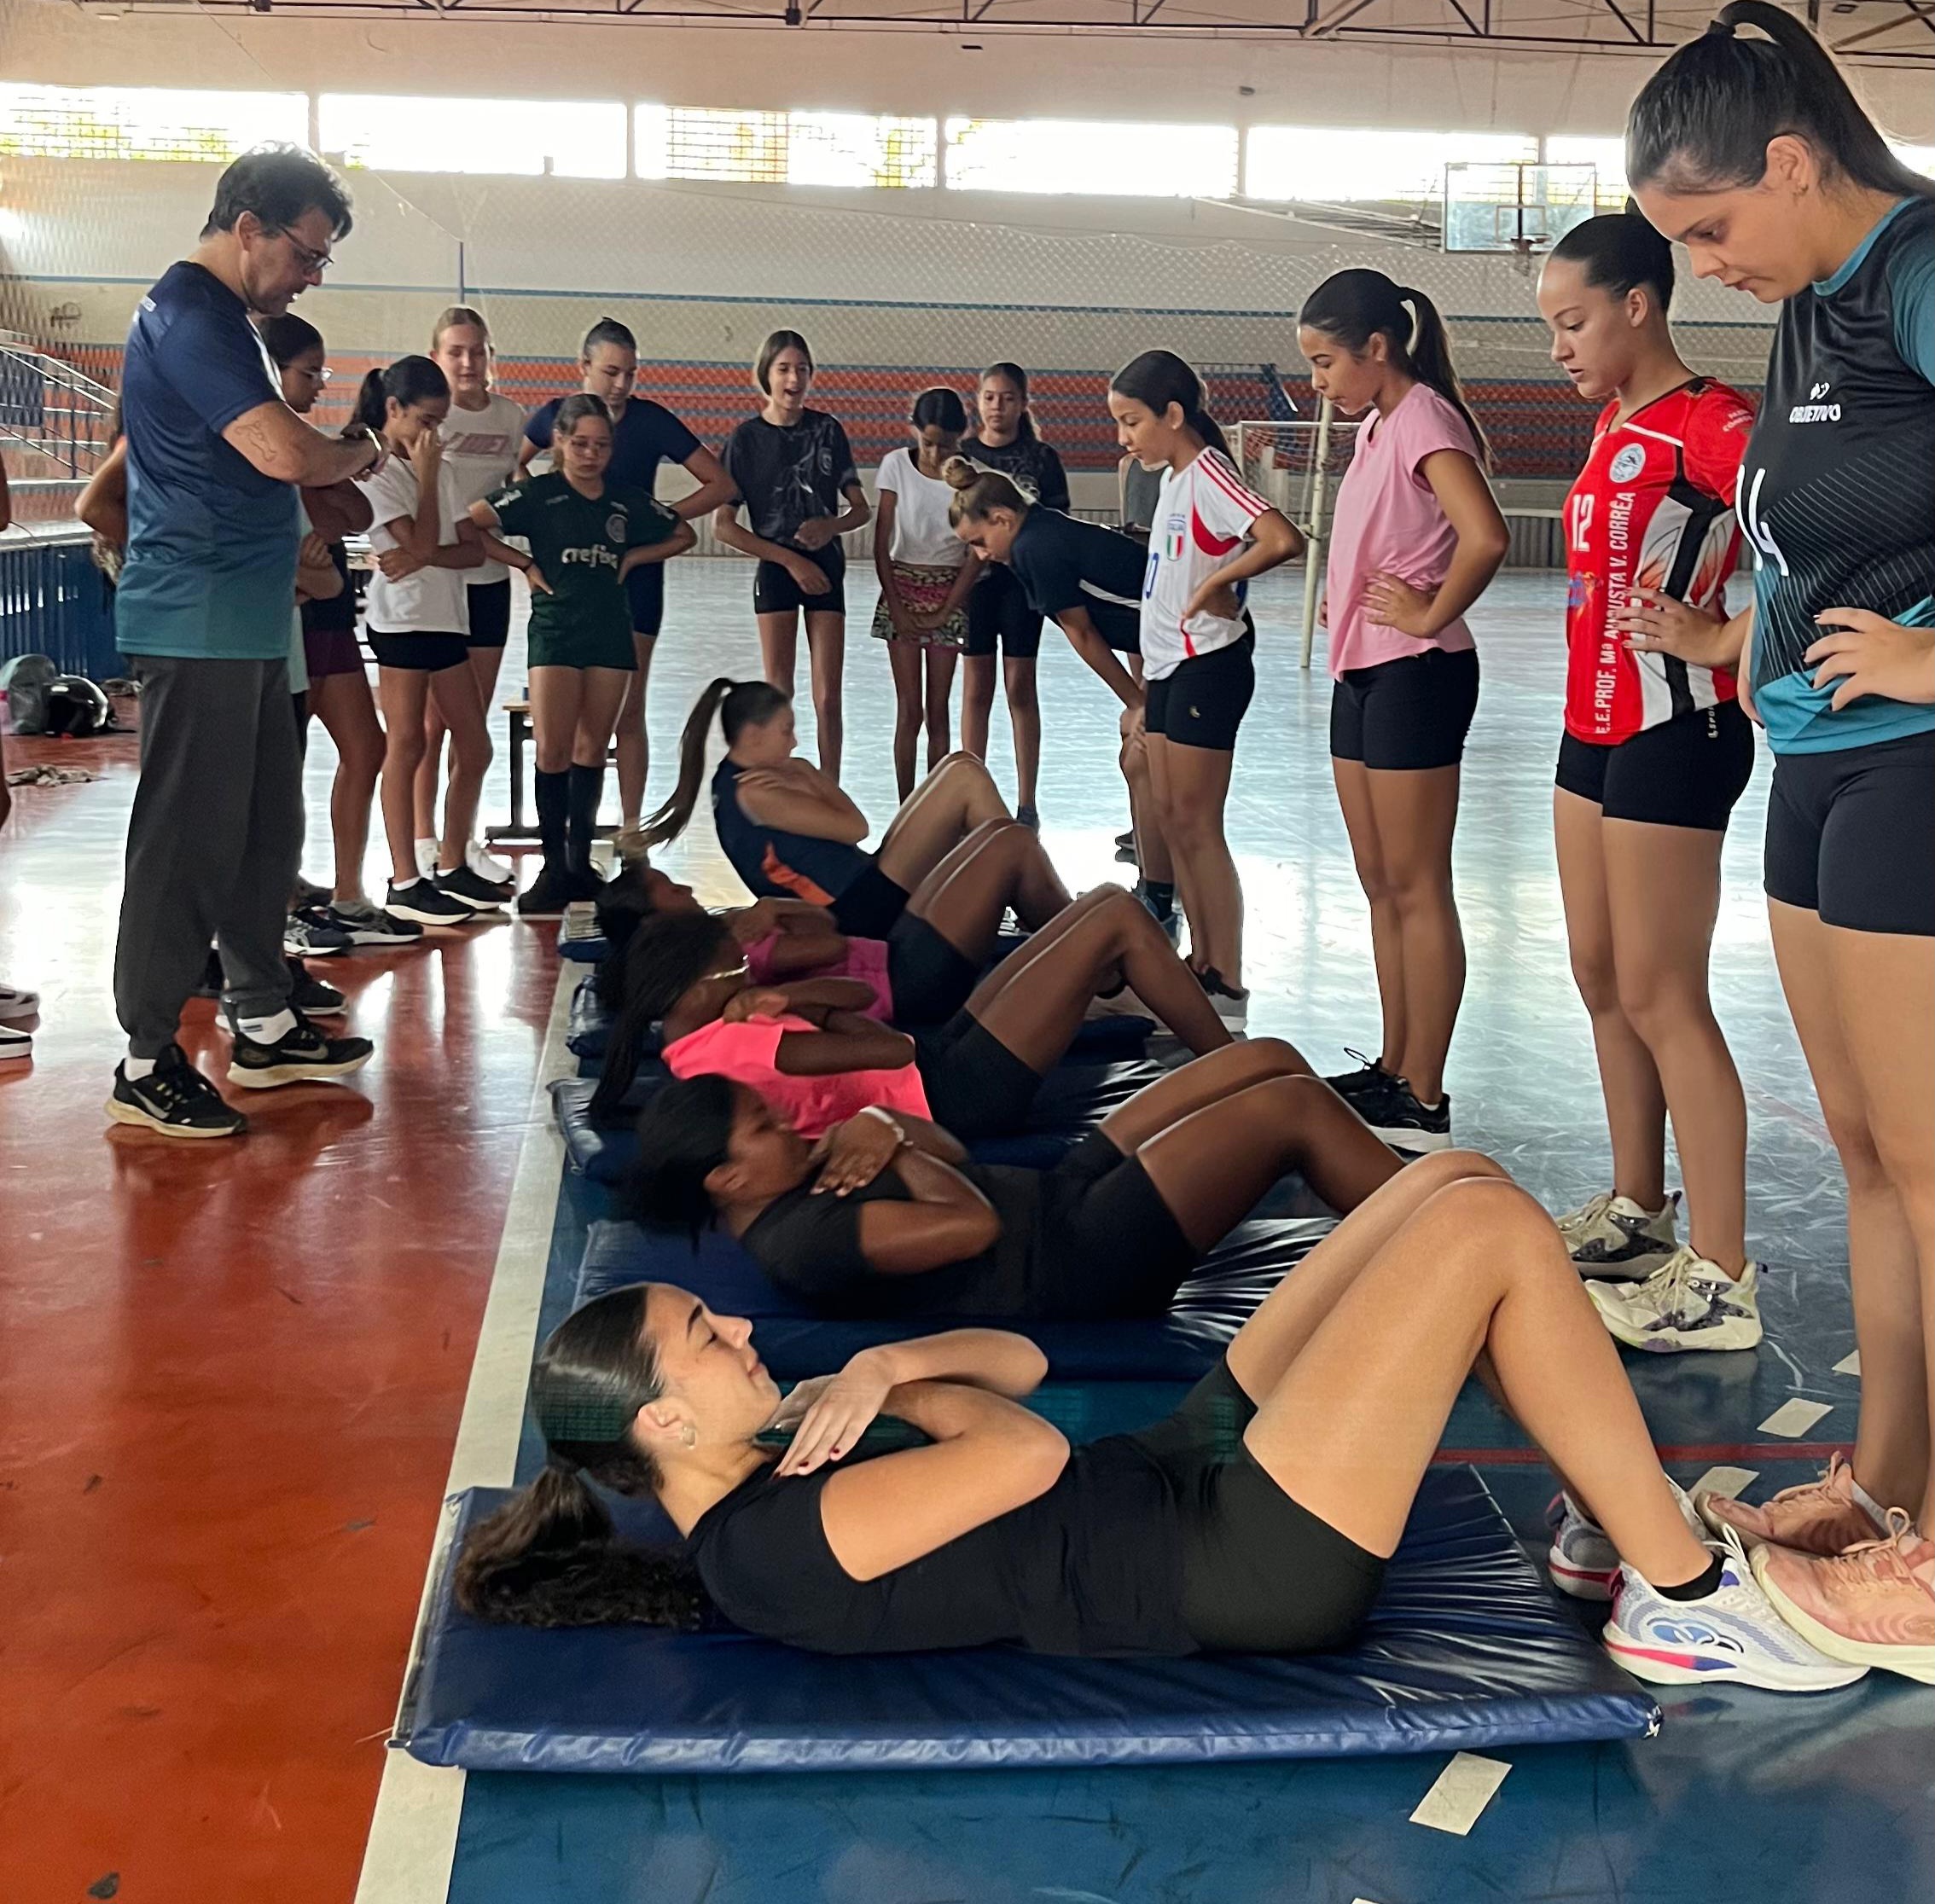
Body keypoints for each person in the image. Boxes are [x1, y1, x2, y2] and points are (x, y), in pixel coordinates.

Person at [452, 1151, 1859, 1694]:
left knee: (1449, 1184)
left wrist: (883, 1366)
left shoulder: (777, 1441)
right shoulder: (762, 1551)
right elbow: (1020, 1453)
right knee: (1485, 1238)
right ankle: (1685, 1600)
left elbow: (1014, 1363)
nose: (743, 1329)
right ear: (659, 1421)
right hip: (1228, 1561)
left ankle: (1604, 1522)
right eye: (708, 1338)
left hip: (1179, 1467)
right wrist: (890, 1385)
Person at [1622, 0, 1935, 1676]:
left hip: (1914, 764)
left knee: (1934, 1164)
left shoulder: (1916, 270)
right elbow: (1808, 536)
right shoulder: (1812, 304)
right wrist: (1737, 647)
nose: (1701, 265)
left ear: (1795, 162)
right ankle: (1891, 1488)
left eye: (1707, 227)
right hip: (1816, 762)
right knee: (1871, 1156)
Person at [108, 143, 376, 1140]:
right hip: (199, 617)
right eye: (307, 253)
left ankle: (261, 1015)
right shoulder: (188, 316)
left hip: (251, 617)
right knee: (186, 839)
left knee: (266, 825)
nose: (312, 276)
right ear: (249, 227)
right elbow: (284, 450)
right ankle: (146, 1059)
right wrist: (362, 448)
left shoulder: (232, 327)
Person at [1534, 212, 1763, 1353]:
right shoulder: (1615, 421)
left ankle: (1721, 1277)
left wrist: (1721, 639)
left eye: (1574, 322)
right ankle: (1638, 1211)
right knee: (1602, 974)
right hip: (1592, 729)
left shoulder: (1714, 423)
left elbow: (1817, 550)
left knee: (1666, 995)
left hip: (1678, 729)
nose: (1560, 348)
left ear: (1638, 304)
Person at [629, 1048, 1401, 1320]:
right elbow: (972, 1228)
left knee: (1264, 1059)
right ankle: (1443, 1231)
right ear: (727, 1178)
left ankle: (1404, 1189)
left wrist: (884, 1122)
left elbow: (953, 1154)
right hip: (1077, 1261)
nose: (786, 1124)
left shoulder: (798, 1175)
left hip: (1057, 1195)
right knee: (1288, 1109)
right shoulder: (802, 1240)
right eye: (764, 1126)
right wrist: (889, 1145)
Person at [1298, 270, 1509, 1152]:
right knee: (1382, 881)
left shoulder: (1424, 416)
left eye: (1324, 363)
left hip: (1417, 672)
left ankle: (1424, 1091)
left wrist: (1427, 613)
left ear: (1376, 348)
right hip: (1362, 670)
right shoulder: (1378, 425)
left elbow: (1485, 534)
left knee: (1418, 885)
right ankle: (1392, 1067)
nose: (1317, 382)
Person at [594, 881, 1238, 1141]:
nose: (746, 969)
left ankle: (1216, 1049)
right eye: (735, 966)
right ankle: (1233, 1067)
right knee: (1117, 916)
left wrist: (791, 1000)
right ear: (695, 990)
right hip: (955, 1094)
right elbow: (891, 1046)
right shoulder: (736, 1045)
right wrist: (804, 1008)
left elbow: (858, 1002)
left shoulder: (694, 1037)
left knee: (1099, 909)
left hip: (936, 1066)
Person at [1107, 350, 1304, 1027]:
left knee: (1198, 826)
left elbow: (1280, 537)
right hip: (1168, 670)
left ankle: (1228, 979)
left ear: (1173, 414)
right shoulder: (1173, 481)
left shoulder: (1211, 473)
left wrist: (1223, 583)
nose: (1125, 438)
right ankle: (1200, 966)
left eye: (1133, 422)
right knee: (1172, 819)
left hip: (1207, 667)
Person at [469, 394, 694, 914]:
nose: (591, 455)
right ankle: (552, 868)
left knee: (593, 748)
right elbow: (471, 525)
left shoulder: (625, 500)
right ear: (559, 443)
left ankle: (578, 865)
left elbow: (681, 533)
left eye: (601, 446)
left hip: (610, 634)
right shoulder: (537, 494)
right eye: (580, 444)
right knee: (552, 750)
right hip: (556, 633)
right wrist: (524, 565)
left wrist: (635, 556)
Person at [520, 317, 735, 843]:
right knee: (568, 718)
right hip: (571, 583)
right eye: (611, 372)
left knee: (628, 708)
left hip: (632, 579)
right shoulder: (557, 415)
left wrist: (656, 521)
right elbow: (513, 467)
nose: (620, 384)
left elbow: (720, 483)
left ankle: (632, 831)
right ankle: (566, 837)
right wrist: (542, 520)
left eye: (631, 374)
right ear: (584, 367)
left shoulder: (651, 421)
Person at [945, 461, 1176, 937]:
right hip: (1166, 641)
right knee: (1137, 755)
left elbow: (1085, 634)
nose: (980, 555)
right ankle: (1157, 886)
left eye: (980, 541)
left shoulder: (1035, 548)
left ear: (1003, 518)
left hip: (1187, 643)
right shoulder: (1038, 534)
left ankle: (1161, 895)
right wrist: (1138, 699)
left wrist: (1138, 702)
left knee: (1142, 755)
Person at [259, 314, 421, 952]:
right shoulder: (267, 444)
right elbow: (322, 516)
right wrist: (324, 481)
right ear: (273, 371)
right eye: (310, 373)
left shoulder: (311, 445)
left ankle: (348, 896)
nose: (320, 386)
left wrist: (327, 476)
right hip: (284, 621)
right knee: (281, 770)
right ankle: (278, 907)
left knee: (366, 746)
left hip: (328, 618)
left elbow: (350, 511)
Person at [644, 678, 1037, 940]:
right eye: (785, 731)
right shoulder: (757, 794)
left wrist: (805, 773)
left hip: (862, 884)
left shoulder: (734, 776)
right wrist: (808, 776)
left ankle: (1024, 887)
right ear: (753, 735)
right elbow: (855, 827)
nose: (793, 742)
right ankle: (1032, 894)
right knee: (965, 778)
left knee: (957, 765)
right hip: (855, 910)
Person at [598, 820, 1075, 1030]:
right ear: (654, 924)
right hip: (909, 982)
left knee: (996, 836)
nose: (687, 889)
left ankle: (1079, 944)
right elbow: (830, 944)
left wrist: (773, 905)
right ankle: (1092, 963)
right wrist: (775, 916)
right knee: (1012, 845)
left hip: (890, 956)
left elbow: (826, 921)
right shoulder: (732, 950)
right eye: (672, 891)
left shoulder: (727, 930)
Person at [351, 356, 509, 928]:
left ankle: (453, 860)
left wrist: (424, 553)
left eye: (439, 424)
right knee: (408, 744)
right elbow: (413, 542)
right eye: (425, 421)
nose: (432, 435)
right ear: (393, 409)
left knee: (475, 744)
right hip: (402, 622)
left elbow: (467, 550)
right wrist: (423, 485)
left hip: (446, 618)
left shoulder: (438, 468)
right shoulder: (376, 472)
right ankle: (404, 880)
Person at [716, 331, 869, 782]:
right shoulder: (745, 439)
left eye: (802, 369)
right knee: (779, 690)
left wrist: (831, 526)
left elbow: (860, 509)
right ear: (766, 375)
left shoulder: (828, 431)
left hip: (826, 568)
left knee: (828, 696)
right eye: (784, 369)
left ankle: (830, 786)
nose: (794, 379)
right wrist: (788, 560)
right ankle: (777, 782)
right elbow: (724, 526)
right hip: (777, 571)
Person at [419, 306, 526, 889]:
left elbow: (513, 491)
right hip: (438, 585)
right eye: (456, 351)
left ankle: (459, 842)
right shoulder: (429, 419)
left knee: (471, 724)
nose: (467, 362)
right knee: (430, 726)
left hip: (487, 583)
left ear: (490, 356)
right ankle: (422, 843)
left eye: (477, 351)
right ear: (436, 357)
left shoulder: (510, 417)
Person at [959, 364, 1070, 827]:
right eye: (989, 397)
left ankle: (1027, 804)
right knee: (976, 689)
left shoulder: (1041, 458)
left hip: (1023, 587)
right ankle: (971, 799)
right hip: (976, 585)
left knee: (1020, 687)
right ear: (978, 401)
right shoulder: (963, 457)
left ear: (1023, 403)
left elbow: (1057, 521)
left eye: (1007, 398)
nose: (997, 406)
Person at [871, 388, 977, 799]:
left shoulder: (971, 477)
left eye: (945, 445)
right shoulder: (896, 466)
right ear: (914, 431)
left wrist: (946, 610)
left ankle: (935, 806)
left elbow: (976, 554)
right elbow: (881, 543)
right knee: (909, 710)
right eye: (927, 442)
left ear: (960, 438)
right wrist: (896, 606)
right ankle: (905, 806)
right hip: (901, 585)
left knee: (938, 713)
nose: (934, 454)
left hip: (949, 589)